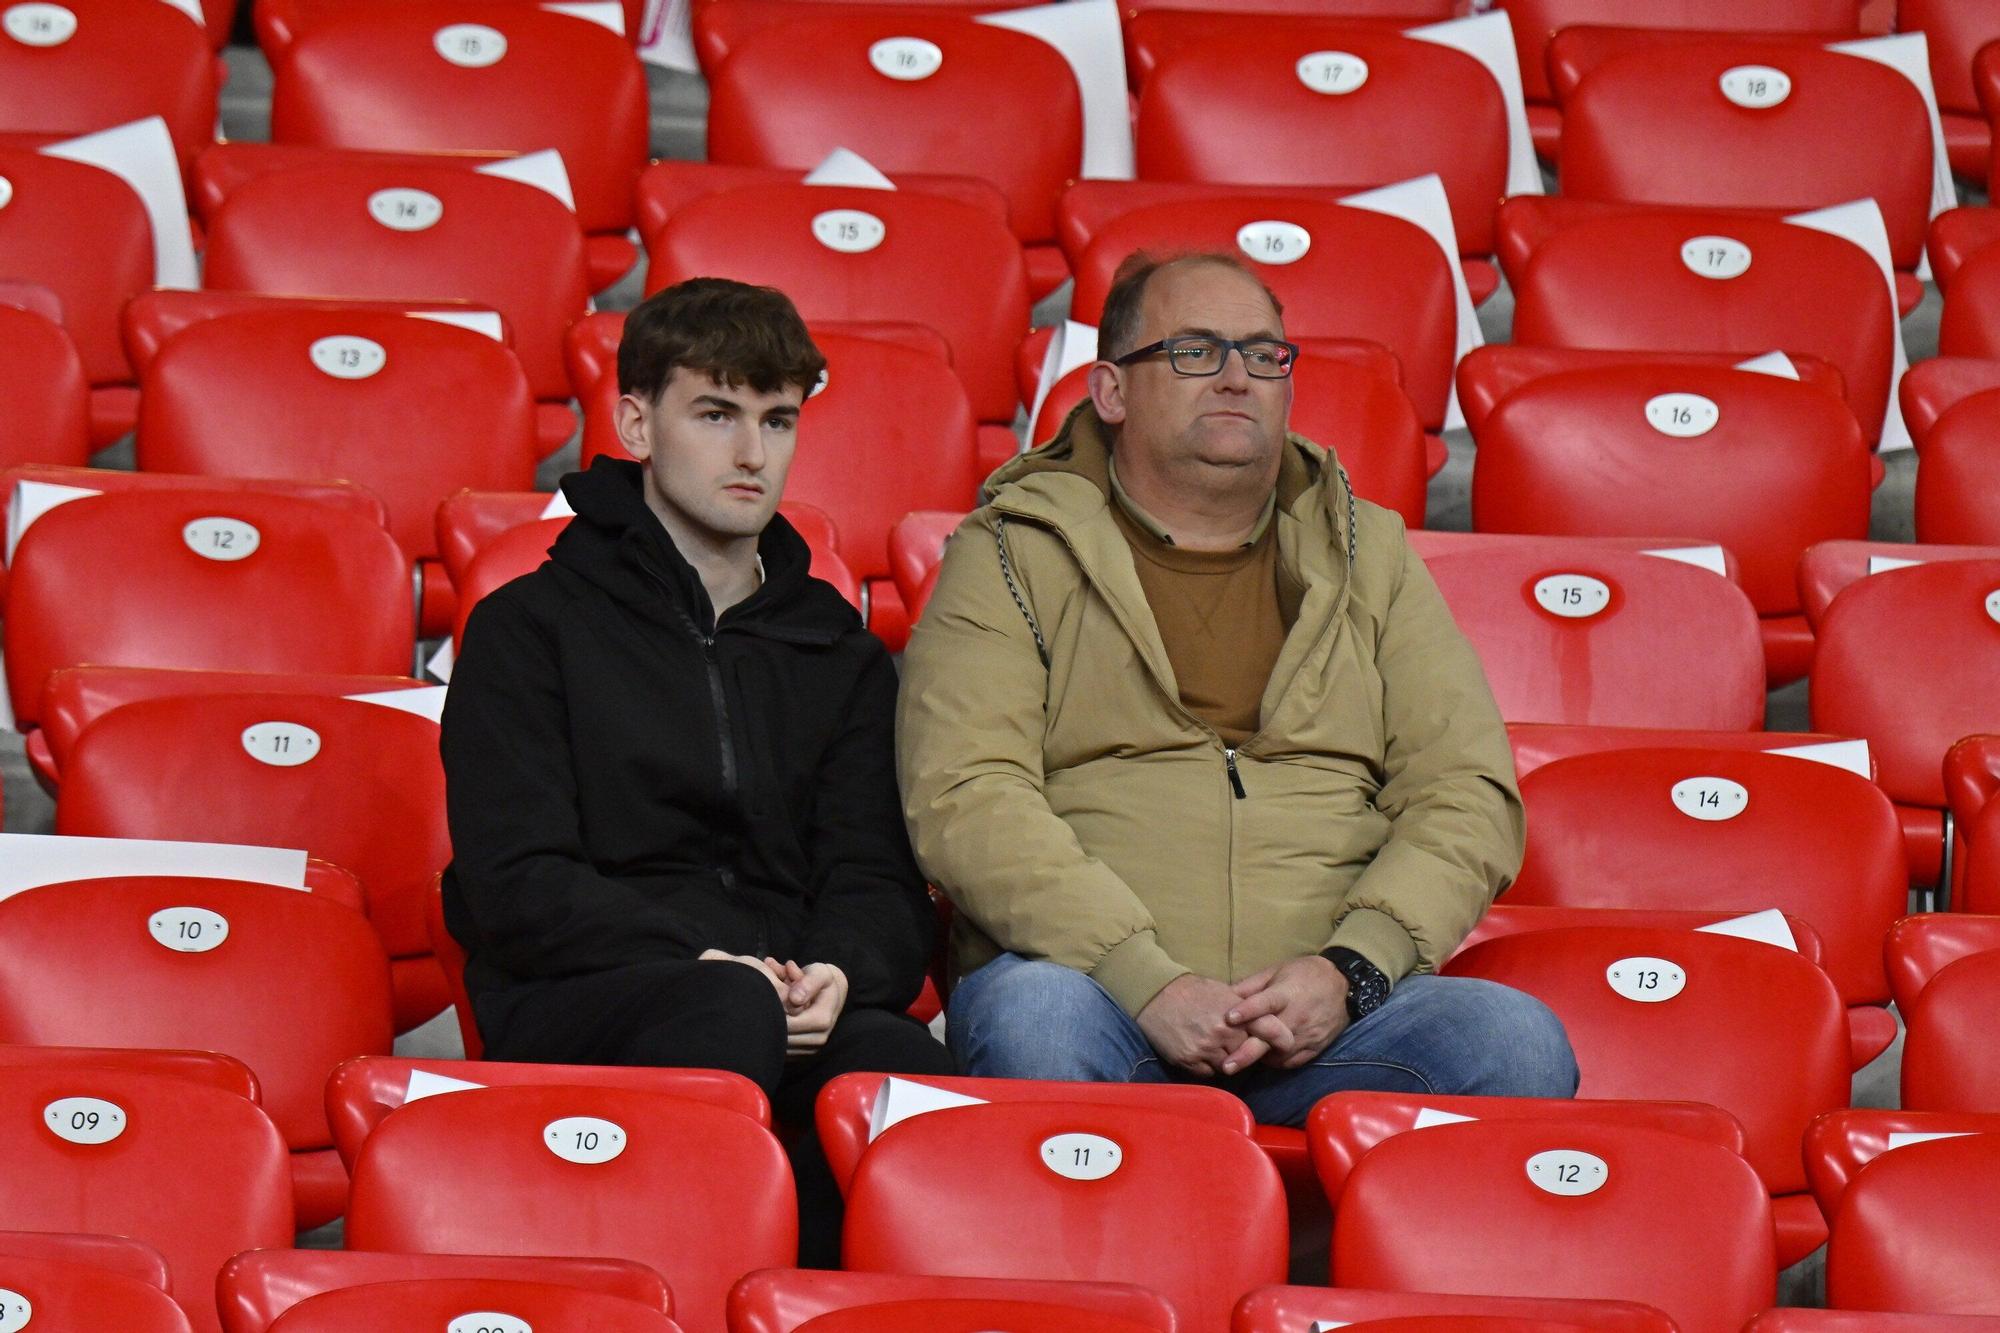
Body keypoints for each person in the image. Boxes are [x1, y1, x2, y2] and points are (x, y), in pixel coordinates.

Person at [898, 252, 1578, 1125]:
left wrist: (1350, 968)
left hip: (1332, 1020)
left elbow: (1465, 792)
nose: (1234, 377)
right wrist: (1146, 978)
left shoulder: (1370, 554)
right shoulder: (1009, 551)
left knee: (1514, 1043)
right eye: (1193, 352)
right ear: (1111, 390)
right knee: (1033, 1015)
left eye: (1263, 355)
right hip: (1101, 1000)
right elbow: (966, 794)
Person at [440, 277, 951, 1263]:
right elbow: (516, 883)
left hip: (776, 988)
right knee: (724, 1009)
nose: (752, 453)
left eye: (777, 419)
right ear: (636, 420)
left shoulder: (834, 652)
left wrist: (839, 973)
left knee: (895, 1063)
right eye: (715, 414)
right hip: (582, 989)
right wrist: (705, 958)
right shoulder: (527, 628)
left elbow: (877, 879)